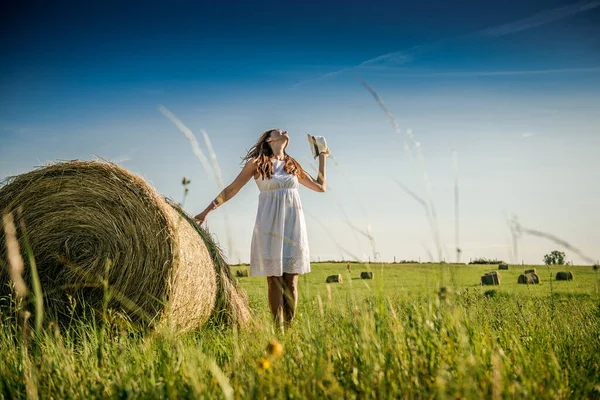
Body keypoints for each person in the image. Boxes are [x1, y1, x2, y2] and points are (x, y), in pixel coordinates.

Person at [195, 128, 328, 326]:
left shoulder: (292, 165)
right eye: (279, 130)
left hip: (293, 225)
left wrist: (322, 155)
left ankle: (289, 331)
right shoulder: (257, 163)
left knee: (291, 280)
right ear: (269, 139)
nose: (285, 131)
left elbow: (320, 186)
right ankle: (278, 331)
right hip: (269, 225)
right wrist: (207, 210)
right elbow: (232, 189)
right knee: (274, 280)